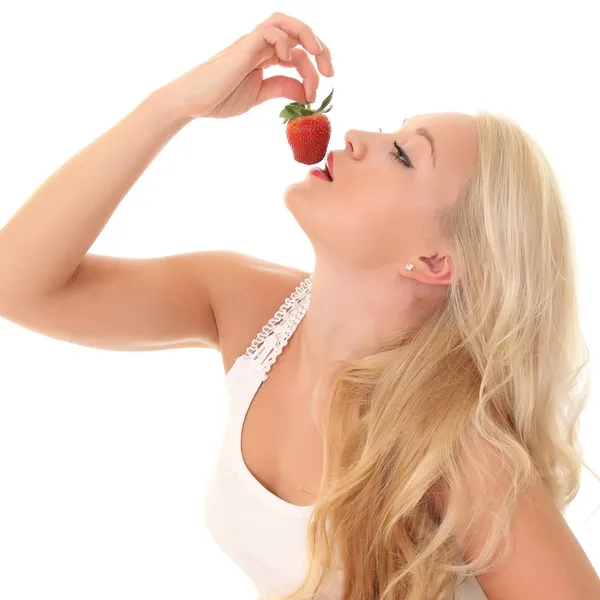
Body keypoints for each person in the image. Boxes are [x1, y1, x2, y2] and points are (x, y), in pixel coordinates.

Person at [0, 10, 598, 600]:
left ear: (435, 262)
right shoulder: (246, 305)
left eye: (403, 155)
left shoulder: (459, 449)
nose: (359, 137)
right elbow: (17, 283)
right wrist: (173, 106)